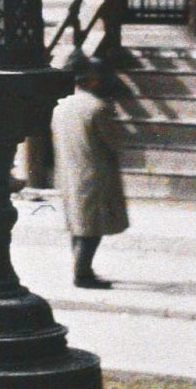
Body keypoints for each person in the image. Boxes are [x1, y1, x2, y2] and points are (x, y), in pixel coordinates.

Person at [49, 51, 130, 287]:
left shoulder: (60, 106)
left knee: (78, 223)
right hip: (95, 173)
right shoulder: (98, 107)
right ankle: (82, 273)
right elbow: (113, 143)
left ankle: (81, 268)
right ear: (91, 79)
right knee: (92, 227)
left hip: (68, 171)